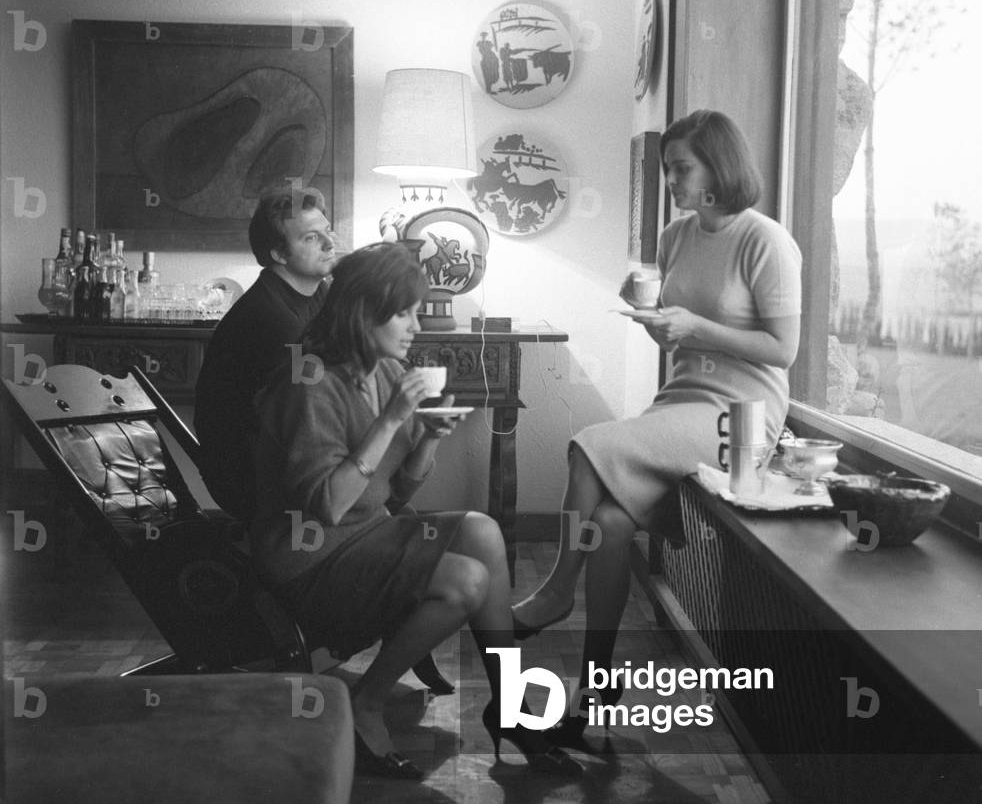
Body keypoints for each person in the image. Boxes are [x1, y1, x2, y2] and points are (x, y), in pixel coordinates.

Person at [511, 109, 802, 742]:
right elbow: (676, 336)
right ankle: (597, 683)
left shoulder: (766, 241)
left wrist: (695, 326)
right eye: (668, 168)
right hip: (682, 400)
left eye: (681, 168)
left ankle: (556, 591)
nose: (671, 180)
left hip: (744, 416)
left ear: (719, 167)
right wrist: (652, 314)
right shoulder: (675, 237)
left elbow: (783, 351)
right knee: (610, 526)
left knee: (589, 443)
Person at [251, 242, 581, 780]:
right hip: (308, 561)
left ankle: (513, 706)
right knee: (466, 581)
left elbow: (394, 494)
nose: (415, 326)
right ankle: (366, 704)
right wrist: (390, 420)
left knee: (482, 530)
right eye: (402, 313)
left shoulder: (382, 369)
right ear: (364, 313)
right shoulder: (309, 384)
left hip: (366, 535)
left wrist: (427, 437)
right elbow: (330, 506)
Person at [194, 185, 338, 520]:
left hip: (288, 455)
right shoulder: (272, 318)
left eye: (327, 231)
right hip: (254, 482)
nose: (330, 244)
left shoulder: (319, 294)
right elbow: (313, 413)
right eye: (311, 238)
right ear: (279, 254)